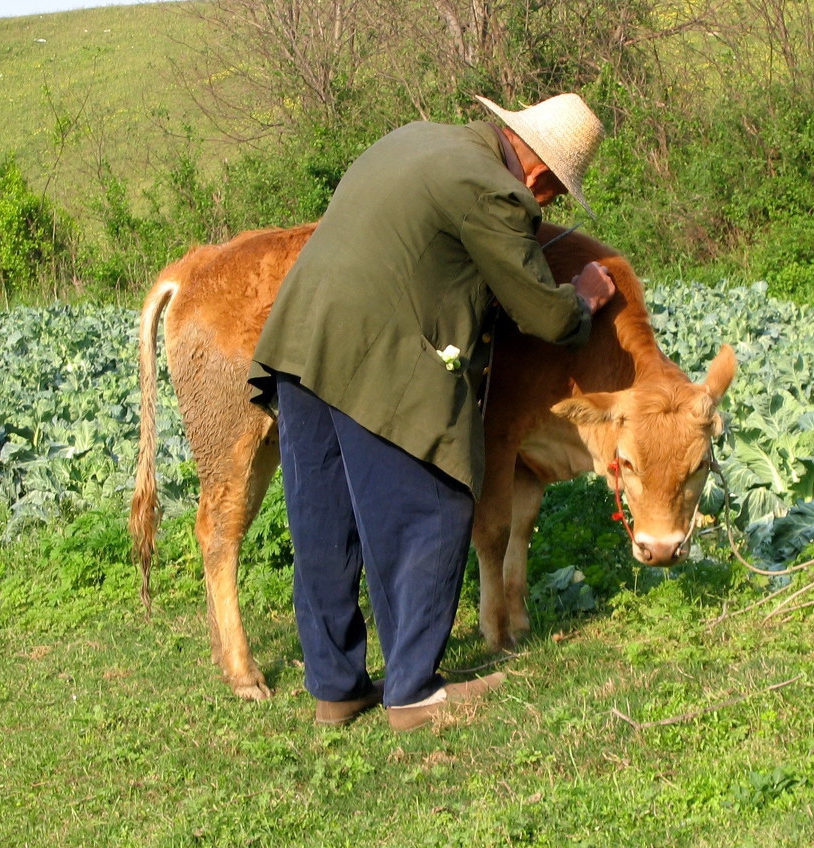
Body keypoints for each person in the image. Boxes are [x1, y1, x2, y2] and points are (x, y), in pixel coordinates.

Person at [247, 93, 617, 732]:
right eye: (554, 194)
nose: (547, 207)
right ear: (541, 175)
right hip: (374, 351)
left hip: (301, 339)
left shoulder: (415, 137)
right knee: (436, 501)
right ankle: (414, 693)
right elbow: (546, 317)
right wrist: (583, 296)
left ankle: (337, 689)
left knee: (323, 519)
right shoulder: (496, 192)